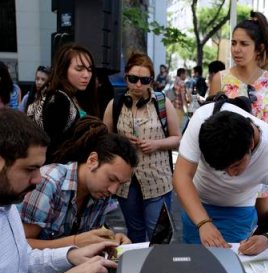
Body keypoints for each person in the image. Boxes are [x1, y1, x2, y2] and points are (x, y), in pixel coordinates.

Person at [0, 108, 118, 273]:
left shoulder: (7, 205)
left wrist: (69, 256)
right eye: (30, 169)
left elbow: (22, 260)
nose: (38, 179)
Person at [173, 101, 268, 254]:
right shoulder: (201, 119)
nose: (229, 175)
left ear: (250, 144)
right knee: (193, 263)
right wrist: (203, 222)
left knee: (229, 265)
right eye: (220, 169)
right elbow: (181, 176)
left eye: (235, 166)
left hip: (238, 210)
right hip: (196, 203)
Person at [17, 116, 138, 249]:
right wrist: (75, 242)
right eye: (111, 179)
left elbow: (111, 226)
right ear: (92, 160)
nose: (113, 190)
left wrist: (115, 238)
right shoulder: (49, 182)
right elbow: (21, 245)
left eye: (120, 184)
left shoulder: (101, 194)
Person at [103, 52, 181, 243]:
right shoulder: (116, 104)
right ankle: (138, 269)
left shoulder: (163, 103)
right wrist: (121, 142)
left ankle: (159, 270)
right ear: (126, 77)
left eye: (144, 80)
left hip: (157, 180)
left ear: (151, 81)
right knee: (135, 232)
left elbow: (178, 139)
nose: (138, 85)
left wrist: (156, 144)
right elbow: (103, 139)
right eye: (133, 79)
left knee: (160, 234)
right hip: (125, 182)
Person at [209, 11, 268, 139]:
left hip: (264, 155)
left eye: (244, 44)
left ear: (259, 48)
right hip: (226, 154)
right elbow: (210, 126)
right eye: (233, 43)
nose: (236, 49)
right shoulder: (220, 79)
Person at [26, 43, 100, 163]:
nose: (86, 75)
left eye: (89, 69)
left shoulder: (74, 96)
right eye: (79, 69)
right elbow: (51, 147)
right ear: (64, 69)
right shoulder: (57, 99)